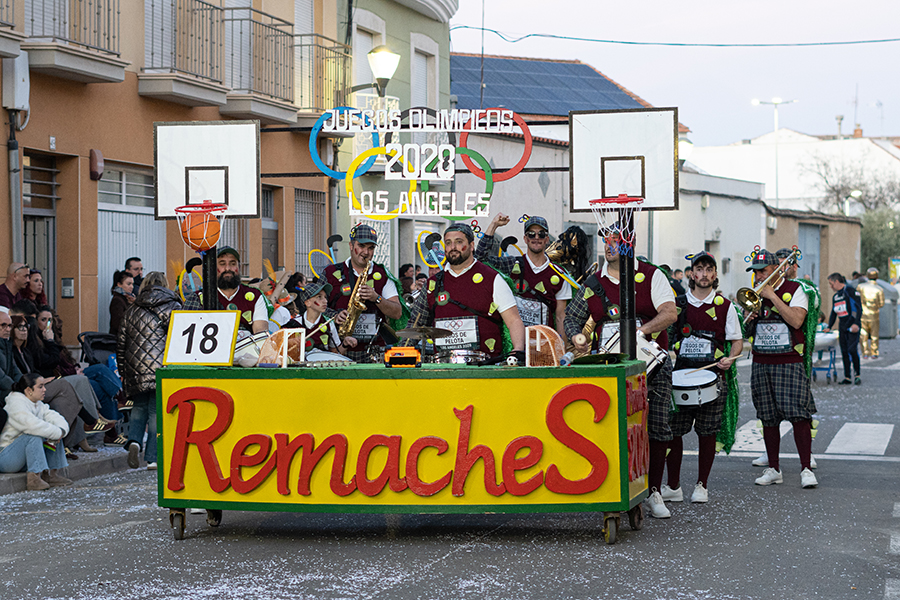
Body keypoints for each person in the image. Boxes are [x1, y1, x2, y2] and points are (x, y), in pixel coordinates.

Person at [564, 234, 677, 518]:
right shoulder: (592, 284)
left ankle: (653, 491)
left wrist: (640, 332)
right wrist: (577, 336)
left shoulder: (652, 276)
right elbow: (571, 318)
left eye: (617, 241)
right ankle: (616, 489)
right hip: (611, 369)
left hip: (652, 364)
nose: (610, 246)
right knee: (614, 429)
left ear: (631, 244)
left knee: (657, 428)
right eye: (607, 241)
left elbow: (670, 313)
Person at [661, 251, 743, 505]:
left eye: (709, 269)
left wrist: (730, 358)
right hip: (681, 377)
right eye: (699, 269)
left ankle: (702, 485)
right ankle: (673, 485)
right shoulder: (677, 304)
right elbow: (666, 338)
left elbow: (737, 342)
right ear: (692, 274)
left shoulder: (725, 306)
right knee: (673, 433)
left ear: (715, 274)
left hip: (713, 378)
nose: (704, 274)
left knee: (707, 433)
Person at [744, 249, 817, 489]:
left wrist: (772, 296)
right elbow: (746, 333)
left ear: (777, 270)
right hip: (762, 361)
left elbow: (796, 320)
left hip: (789, 361)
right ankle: (773, 467)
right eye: (755, 272)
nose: (757, 276)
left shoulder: (797, 290)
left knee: (799, 415)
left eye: (762, 271)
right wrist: (749, 317)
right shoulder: (755, 295)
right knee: (768, 416)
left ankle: (806, 468)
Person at [408, 223, 525, 360]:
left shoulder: (492, 278)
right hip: (443, 369)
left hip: (485, 367)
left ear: (471, 245)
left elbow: (514, 320)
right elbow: (415, 325)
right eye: (448, 243)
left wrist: (517, 350)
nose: (453, 247)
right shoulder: (432, 284)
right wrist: (399, 354)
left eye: (459, 242)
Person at [117, 272, 181, 470]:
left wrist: (123, 371)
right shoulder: (173, 306)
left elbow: (121, 343)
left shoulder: (132, 309)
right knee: (156, 412)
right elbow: (180, 338)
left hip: (135, 368)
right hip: (162, 367)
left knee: (139, 407)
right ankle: (153, 458)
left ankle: (135, 440)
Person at [475, 214, 572, 340]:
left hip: (543, 344)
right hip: (515, 344)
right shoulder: (512, 265)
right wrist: (494, 225)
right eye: (531, 234)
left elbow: (560, 317)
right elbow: (480, 260)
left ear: (547, 239)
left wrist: (561, 350)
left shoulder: (559, 274)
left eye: (541, 234)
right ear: (525, 239)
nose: (536, 238)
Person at [324, 224, 406, 362]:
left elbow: (397, 312)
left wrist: (376, 298)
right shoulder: (330, 273)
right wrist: (335, 316)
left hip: (375, 351)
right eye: (361, 246)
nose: (366, 252)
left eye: (371, 248)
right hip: (340, 349)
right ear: (351, 245)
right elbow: (312, 307)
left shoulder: (382, 274)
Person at [0, 373, 72, 490]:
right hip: (6, 458)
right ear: (29, 390)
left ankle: (51, 475)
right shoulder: (16, 403)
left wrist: (61, 431)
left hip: (22, 459)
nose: (45, 389)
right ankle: (34, 480)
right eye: (40, 386)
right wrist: (57, 432)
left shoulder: (38, 403)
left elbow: (55, 417)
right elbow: (32, 426)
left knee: (54, 432)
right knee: (34, 436)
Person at [184, 247, 268, 335]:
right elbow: (188, 335)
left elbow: (260, 334)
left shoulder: (255, 296)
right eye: (222, 263)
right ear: (213, 268)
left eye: (232, 263)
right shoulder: (196, 298)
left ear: (239, 267)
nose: (227, 268)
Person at [284, 280, 356, 355]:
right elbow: (278, 345)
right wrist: (290, 342)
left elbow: (336, 353)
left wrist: (345, 344)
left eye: (325, 297)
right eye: (319, 297)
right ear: (307, 302)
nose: (325, 301)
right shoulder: (293, 324)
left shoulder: (329, 323)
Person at [825, 273, 862, 384]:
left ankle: (857, 374)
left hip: (852, 326)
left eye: (831, 284)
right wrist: (829, 326)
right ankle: (847, 377)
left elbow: (858, 308)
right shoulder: (835, 296)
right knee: (844, 351)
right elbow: (833, 313)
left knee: (852, 350)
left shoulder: (850, 291)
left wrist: (856, 323)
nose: (830, 287)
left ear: (837, 282)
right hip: (842, 326)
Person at [857, 268, 885, 358]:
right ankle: (874, 352)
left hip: (862, 314)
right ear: (877, 276)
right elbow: (881, 304)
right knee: (874, 335)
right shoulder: (879, 289)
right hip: (874, 315)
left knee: (863, 334)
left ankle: (865, 352)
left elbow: (856, 300)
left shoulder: (860, 287)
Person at [108, 270, 135, 337]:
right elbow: (118, 323)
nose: (132, 287)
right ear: (119, 284)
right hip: (119, 339)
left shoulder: (128, 298)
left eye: (132, 284)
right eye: (128, 284)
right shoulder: (118, 300)